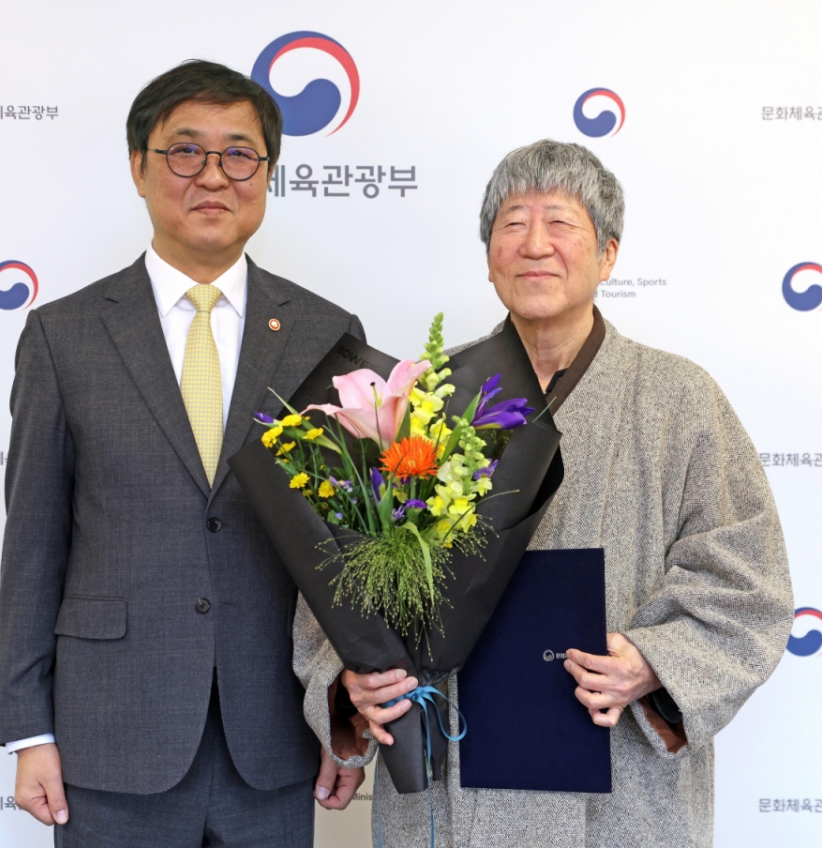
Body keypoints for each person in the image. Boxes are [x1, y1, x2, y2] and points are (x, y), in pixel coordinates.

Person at [295, 140, 794, 847]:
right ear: (489, 256)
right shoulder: (418, 398)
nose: (534, 244)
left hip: (620, 791)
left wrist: (651, 662)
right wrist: (351, 678)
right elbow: (339, 577)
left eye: (560, 223)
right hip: (452, 786)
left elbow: (749, 584)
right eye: (512, 223)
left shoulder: (680, 399)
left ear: (608, 255)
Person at [0, 60, 367, 848]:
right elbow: (32, 542)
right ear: (140, 167)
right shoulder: (65, 337)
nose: (214, 175)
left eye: (239, 154)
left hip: (274, 735)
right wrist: (29, 729)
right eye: (186, 151)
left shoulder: (324, 334)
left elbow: (349, 551)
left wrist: (342, 715)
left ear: (267, 173)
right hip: (110, 736)